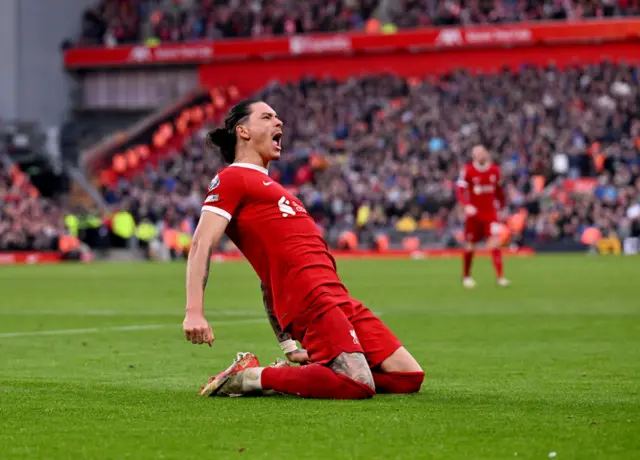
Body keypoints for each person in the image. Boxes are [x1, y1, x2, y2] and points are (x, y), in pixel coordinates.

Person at [183, 99, 424, 399]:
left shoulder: (277, 190)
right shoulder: (231, 178)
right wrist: (194, 312)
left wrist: (288, 346)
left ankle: (307, 373)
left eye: (278, 116)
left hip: (338, 295)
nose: (279, 121)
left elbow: (267, 277)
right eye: (267, 116)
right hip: (310, 296)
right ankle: (250, 378)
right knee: (358, 385)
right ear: (242, 131)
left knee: (408, 376)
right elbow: (201, 243)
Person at [456, 145, 510, 288]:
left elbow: (499, 192)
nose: (479, 155)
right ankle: (466, 276)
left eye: (481, 153)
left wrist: (503, 207)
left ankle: (500, 277)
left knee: (495, 243)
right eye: (476, 153)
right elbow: (460, 191)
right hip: (474, 215)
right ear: (473, 156)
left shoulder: (495, 171)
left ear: (486, 154)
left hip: (490, 214)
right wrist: (466, 205)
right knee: (470, 247)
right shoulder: (467, 170)